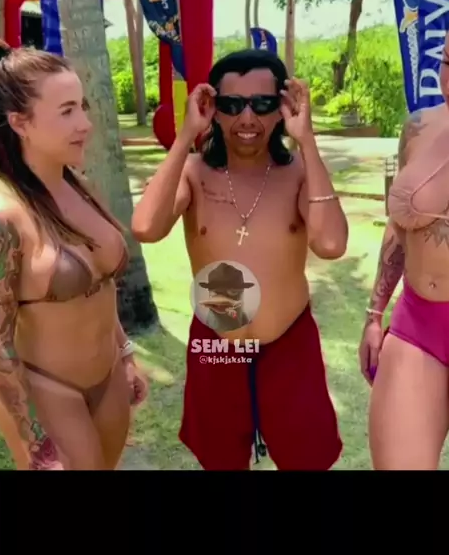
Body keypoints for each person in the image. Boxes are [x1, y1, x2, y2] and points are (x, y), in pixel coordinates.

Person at [132, 48, 348, 470]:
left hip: (288, 342)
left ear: (282, 107)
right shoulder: (194, 172)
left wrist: (307, 140)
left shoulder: (299, 172)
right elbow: (146, 227)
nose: (247, 118)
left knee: (307, 458)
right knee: (221, 460)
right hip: (217, 341)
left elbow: (331, 244)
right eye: (232, 105)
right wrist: (184, 137)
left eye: (262, 104)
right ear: (213, 109)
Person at [0, 38, 149, 471]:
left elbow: (101, 283)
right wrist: (35, 443)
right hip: (49, 393)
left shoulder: (80, 187)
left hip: (109, 380)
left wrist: (125, 354)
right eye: (67, 111)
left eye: (83, 107)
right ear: (20, 122)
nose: (85, 124)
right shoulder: (2, 218)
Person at [359, 3, 449, 470]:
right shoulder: (419, 128)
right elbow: (400, 225)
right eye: (448, 62)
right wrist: (374, 312)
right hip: (416, 322)